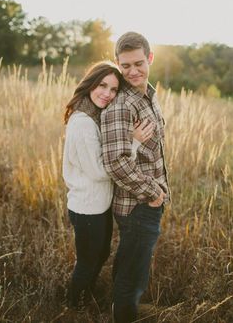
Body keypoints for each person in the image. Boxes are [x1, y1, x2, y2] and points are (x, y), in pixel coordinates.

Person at [62, 61, 154, 310]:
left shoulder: (94, 115)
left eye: (114, 90)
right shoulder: (83, 122)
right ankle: (74, 306)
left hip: (97, 205)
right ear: (90, 84)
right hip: (87, 208)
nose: (107, 94)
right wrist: (133, 144)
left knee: (98, 255)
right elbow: (101, 170)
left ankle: (84, 296)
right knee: (89, 261)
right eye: (102, 85)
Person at [101, 32, 171, 322]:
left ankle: (122, 306)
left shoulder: (149, 95)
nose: (132, 71)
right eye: (125, 66)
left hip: (147, 200)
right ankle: (124, 313)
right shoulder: (121, 106)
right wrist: (153, 192)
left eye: (138, 63)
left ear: (150, 58)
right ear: (118, 64)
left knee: (132, 264)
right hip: (138, 205)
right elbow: (115, 163)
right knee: (134, 273)